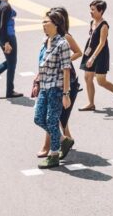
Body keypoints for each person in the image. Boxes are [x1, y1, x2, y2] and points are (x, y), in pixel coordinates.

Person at [34, 10, 73, 169]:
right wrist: (37, 80)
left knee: (51, 120)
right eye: (42, 22)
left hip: (56, 88)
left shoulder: (62, 43)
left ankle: (54, 155)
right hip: (44, 86)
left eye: (46, 22)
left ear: (56, 24)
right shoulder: (45, 41)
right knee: (38, 118)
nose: (43, 25)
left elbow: (66, 69)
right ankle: (64, 140)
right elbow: (42, 64)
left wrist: (66, 93)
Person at [78, 0, 113, 111]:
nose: (91, 12)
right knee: (87, 77)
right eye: (90, 9)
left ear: (101, 11)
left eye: (93, 10)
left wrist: (92, 58)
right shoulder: (92, 22)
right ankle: (91, 104)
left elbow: (102, 43)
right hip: (90, 52)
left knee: (101, 81)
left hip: (100, 55)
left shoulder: (104, 25)